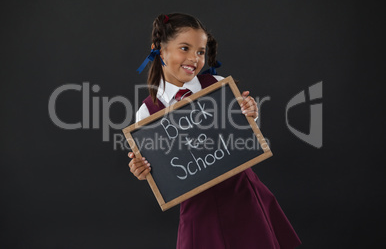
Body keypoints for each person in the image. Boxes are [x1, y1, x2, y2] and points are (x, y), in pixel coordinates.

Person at [128, 13, 301, 249]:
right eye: (185, 48)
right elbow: (159, 173)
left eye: (200, 51)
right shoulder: (147, 113)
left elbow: (247, 141)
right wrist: (142, 171)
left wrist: (251, 115)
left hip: (243, 195)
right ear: (159, 49)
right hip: (198, 209)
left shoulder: (218, 87)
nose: (194, 58)